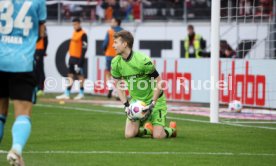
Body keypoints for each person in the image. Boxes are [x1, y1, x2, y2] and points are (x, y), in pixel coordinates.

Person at [0, 0, 47, 165]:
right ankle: (17, 150)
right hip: (22, 62)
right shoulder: (38, 1)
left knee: (0, 113)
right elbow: (41, 32)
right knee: (22, 113)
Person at [111, 30, 177, 139]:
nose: (113, 46)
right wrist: (126, 105)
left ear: (125, 44)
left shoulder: (143, 60)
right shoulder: (115, 62)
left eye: (116, 42)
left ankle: (171, 130)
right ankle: (147, 130)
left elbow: (159, 82)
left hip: (155, 101)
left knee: (158, 136)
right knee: (129, 135)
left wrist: (152, 103)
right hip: (136, 102)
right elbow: (118, 85)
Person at [56, 18, 88, 100]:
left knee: (80, 76)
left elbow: (84, 47)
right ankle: (67, 93)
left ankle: (81, 93)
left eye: (76, 24)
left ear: (79, 24)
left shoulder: (83, 34)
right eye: (73, 24)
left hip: (78, 58)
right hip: (72, 58)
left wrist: (81, 58)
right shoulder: (74, 32)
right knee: (70, 74)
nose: (74, 26)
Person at [102, 17, 123, 98]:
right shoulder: (123, 32)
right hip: (118, 55)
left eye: (113, 21)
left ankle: (110, 87)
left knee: (108, 72)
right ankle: (118, 93)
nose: (111, 23)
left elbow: (105, 43)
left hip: (109, 55)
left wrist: (104, 49)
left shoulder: (110, 31)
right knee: (119, 74)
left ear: (117, 23)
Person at [35, 25, 48, 97]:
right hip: (32, 50)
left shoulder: (42, 26)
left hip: (39, 50)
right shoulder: (32, 24)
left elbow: (46, 39)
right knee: (34, 70)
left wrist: (43, 51)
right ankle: (35, 87)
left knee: (39, 70)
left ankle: (40, 89)